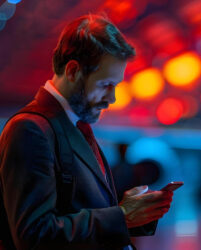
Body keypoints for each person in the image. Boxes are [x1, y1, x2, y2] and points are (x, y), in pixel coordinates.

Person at [0, 14, 173, 250]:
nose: (111, 99)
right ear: (73, 71)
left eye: (116, 86)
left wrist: (136, 213)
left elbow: (80, 210)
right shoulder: (30, 130)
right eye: (105, 85)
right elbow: (34, 235)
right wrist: (122, 215)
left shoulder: (73, 125)